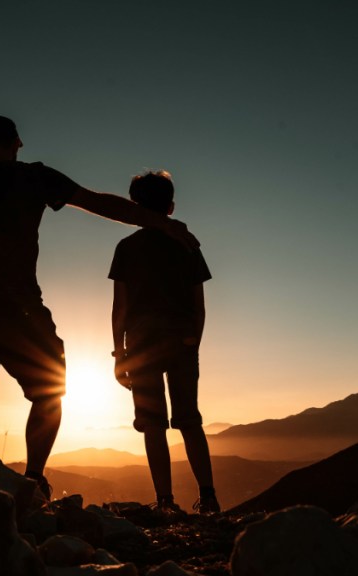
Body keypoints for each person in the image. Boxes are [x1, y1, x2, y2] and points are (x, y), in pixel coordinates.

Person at [0, 115, 198, 497]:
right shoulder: (35, 177)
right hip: (22, 310)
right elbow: (99, 203)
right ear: (18, 142)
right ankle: (33, 480)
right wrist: (161, 224)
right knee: (49, 394)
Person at [109, 170, 221, 514]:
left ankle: (165, 502)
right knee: (190, 420)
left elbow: (120, 308)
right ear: (170, 206)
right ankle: (209, 498)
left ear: (134, 207)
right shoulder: (186, 244)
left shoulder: (127, 248)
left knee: (153, 424)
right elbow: (199, 306)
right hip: (182, 341)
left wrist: (119, 354)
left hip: (141, 345)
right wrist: (194, 344)